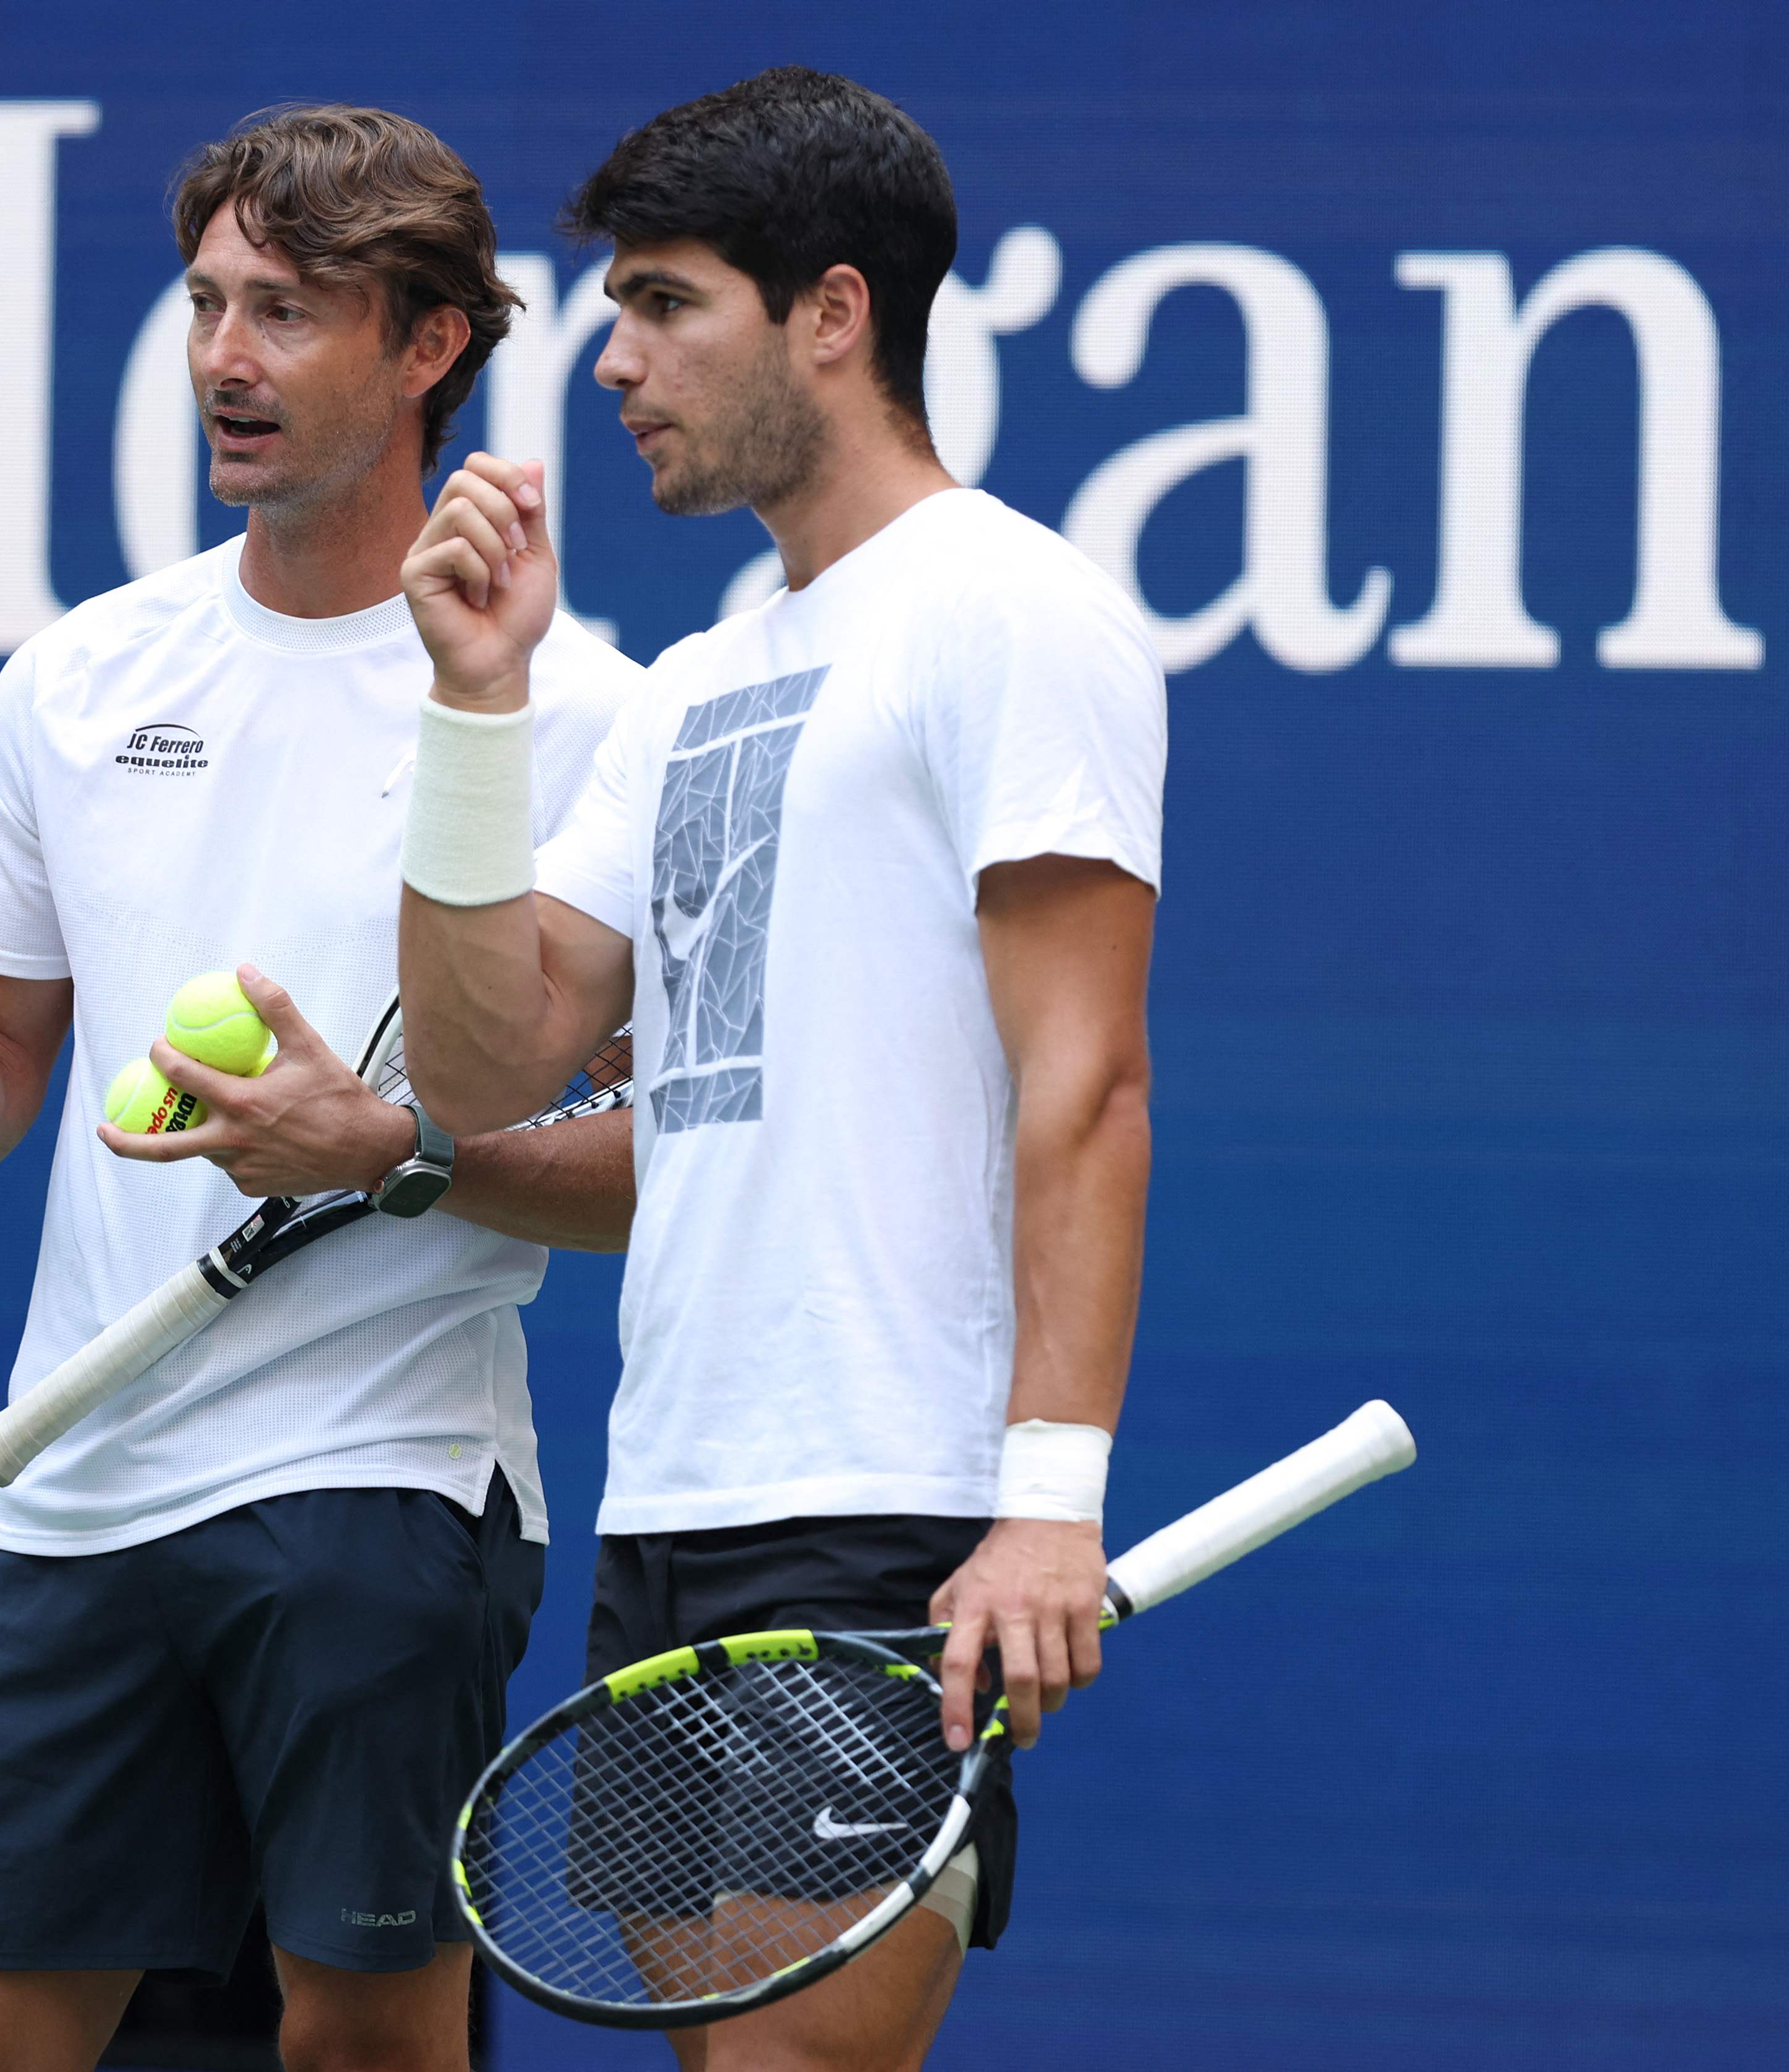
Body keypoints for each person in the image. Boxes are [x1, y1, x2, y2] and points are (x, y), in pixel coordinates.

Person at [0, 105, 641, 2072]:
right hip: (81, 1480)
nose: (224, 359)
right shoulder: (78, 681)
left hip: (379, 1474)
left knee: (360, 2044)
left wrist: (405, 1154)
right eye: (205, 303)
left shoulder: (583, 712)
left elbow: (673, 1162)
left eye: (288, 311)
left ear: (430, 345)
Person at [392, 68, 1165, 2072]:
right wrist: (476, 716)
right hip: (675, 1496)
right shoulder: (704, 679)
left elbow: (1086, 1079)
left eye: (664, 306)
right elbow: (489, 1058)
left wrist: (1043, 1505)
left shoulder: (1013, 611)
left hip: (891, 1507)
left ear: (831, 312)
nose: (617, 364)